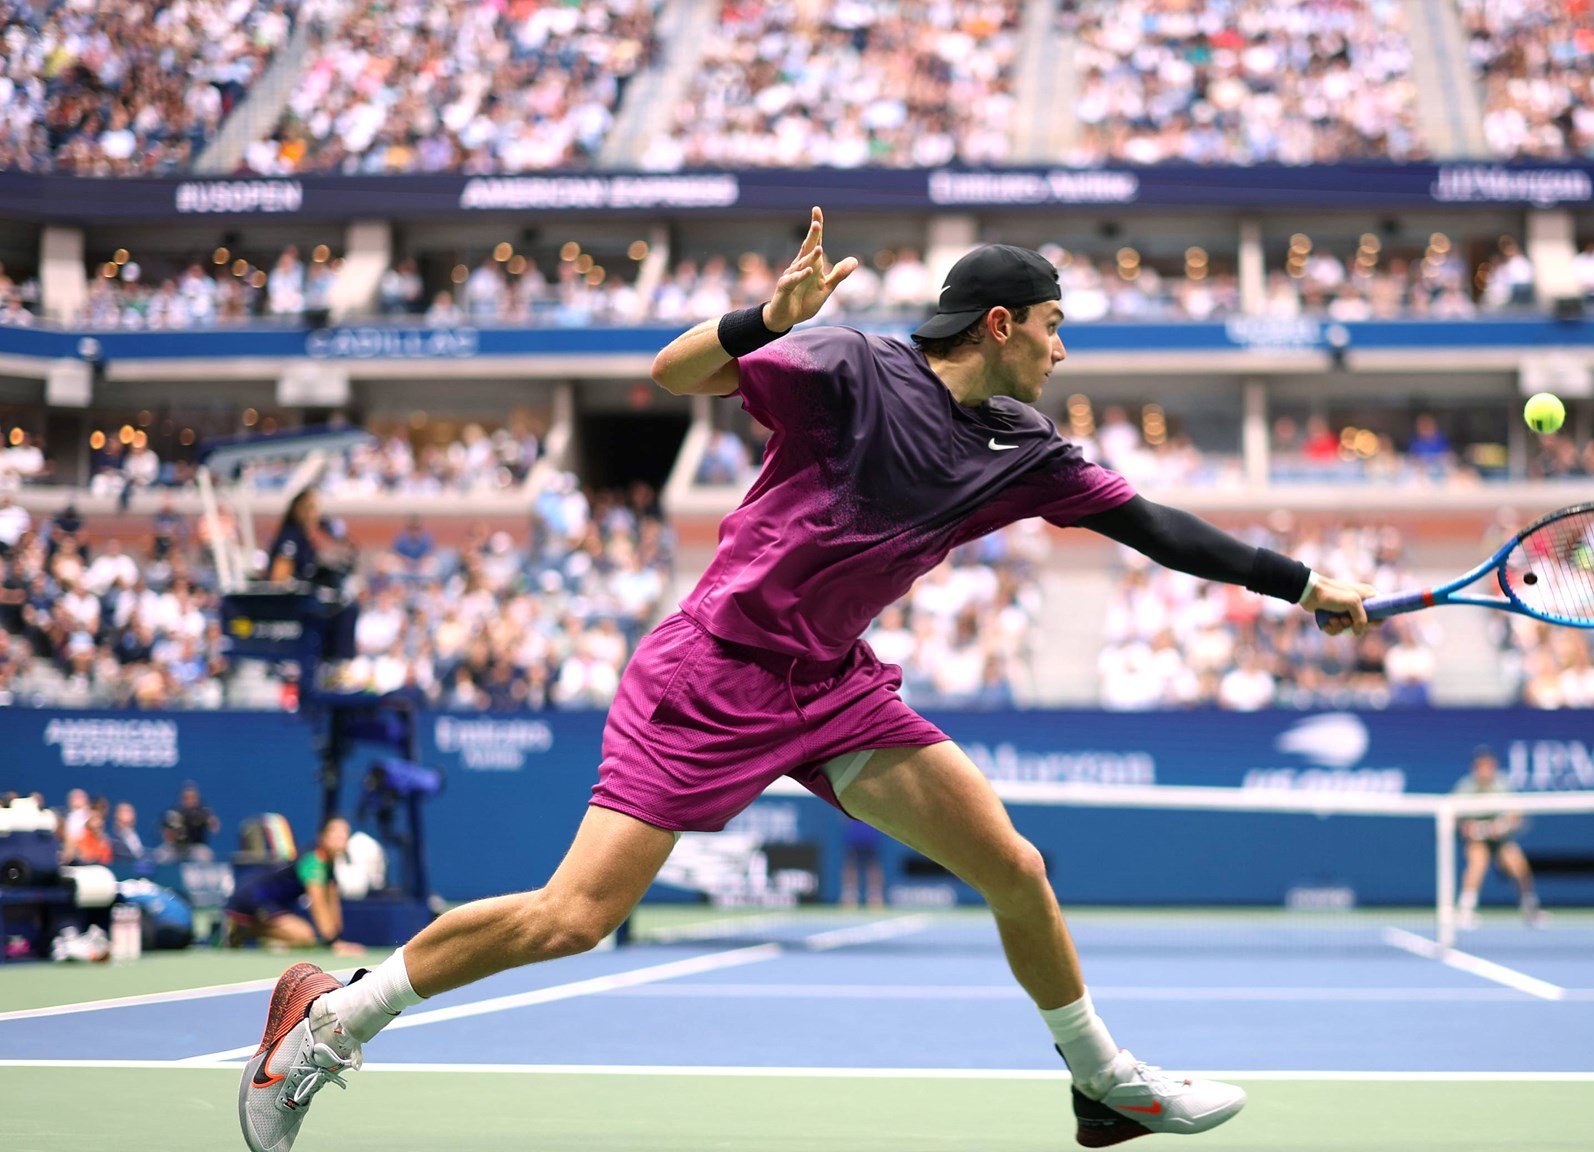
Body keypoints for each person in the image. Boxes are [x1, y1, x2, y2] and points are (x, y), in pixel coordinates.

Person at [237, 210, 1376, 1152]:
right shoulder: (851, 365)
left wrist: (1301, 582)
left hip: (831, 687)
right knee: (572, 919)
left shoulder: (1023, 446)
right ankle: (329, 1019)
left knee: (1013, 867)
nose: (1060, 351)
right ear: (999, 323)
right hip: (711, 676)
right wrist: (765, 319)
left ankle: (1102, 1086)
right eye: (1051, 328)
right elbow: (673, 370)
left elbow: (1158, 529)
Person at [224, 815, 364, 955]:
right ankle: (241, 928)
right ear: (323, 837)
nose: (342, 839)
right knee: (305, 937)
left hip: (272, 903)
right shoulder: (313, 861)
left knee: (304, 937)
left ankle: (246, 929)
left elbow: (332, 902)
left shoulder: (328, 865)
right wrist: (333, 943)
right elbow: (318, 902)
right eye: (336, 834)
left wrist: (338, 939)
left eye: (345, 834)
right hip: (253, 899)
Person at [1451, 746, 1542, 930]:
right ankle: (1466, 910)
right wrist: (1472, 829)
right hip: (1476, 840)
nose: (1485, 770)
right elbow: (1454, 818)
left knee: (1517, 862)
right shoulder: (1465, 787)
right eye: (1481, 766)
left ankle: (1530, 907)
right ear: (1475, 768)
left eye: (1489, 766)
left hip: (1501, 839)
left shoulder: (1502, 784)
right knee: (1478, 860)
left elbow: (1517, 815)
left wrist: (1501, 826)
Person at [841, 816, 887, 909]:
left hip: (871, 838)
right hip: (854, 837)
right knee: (851, 866)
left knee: (873, 867)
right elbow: (843, 817)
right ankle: (850, 895)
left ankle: (875, 896)